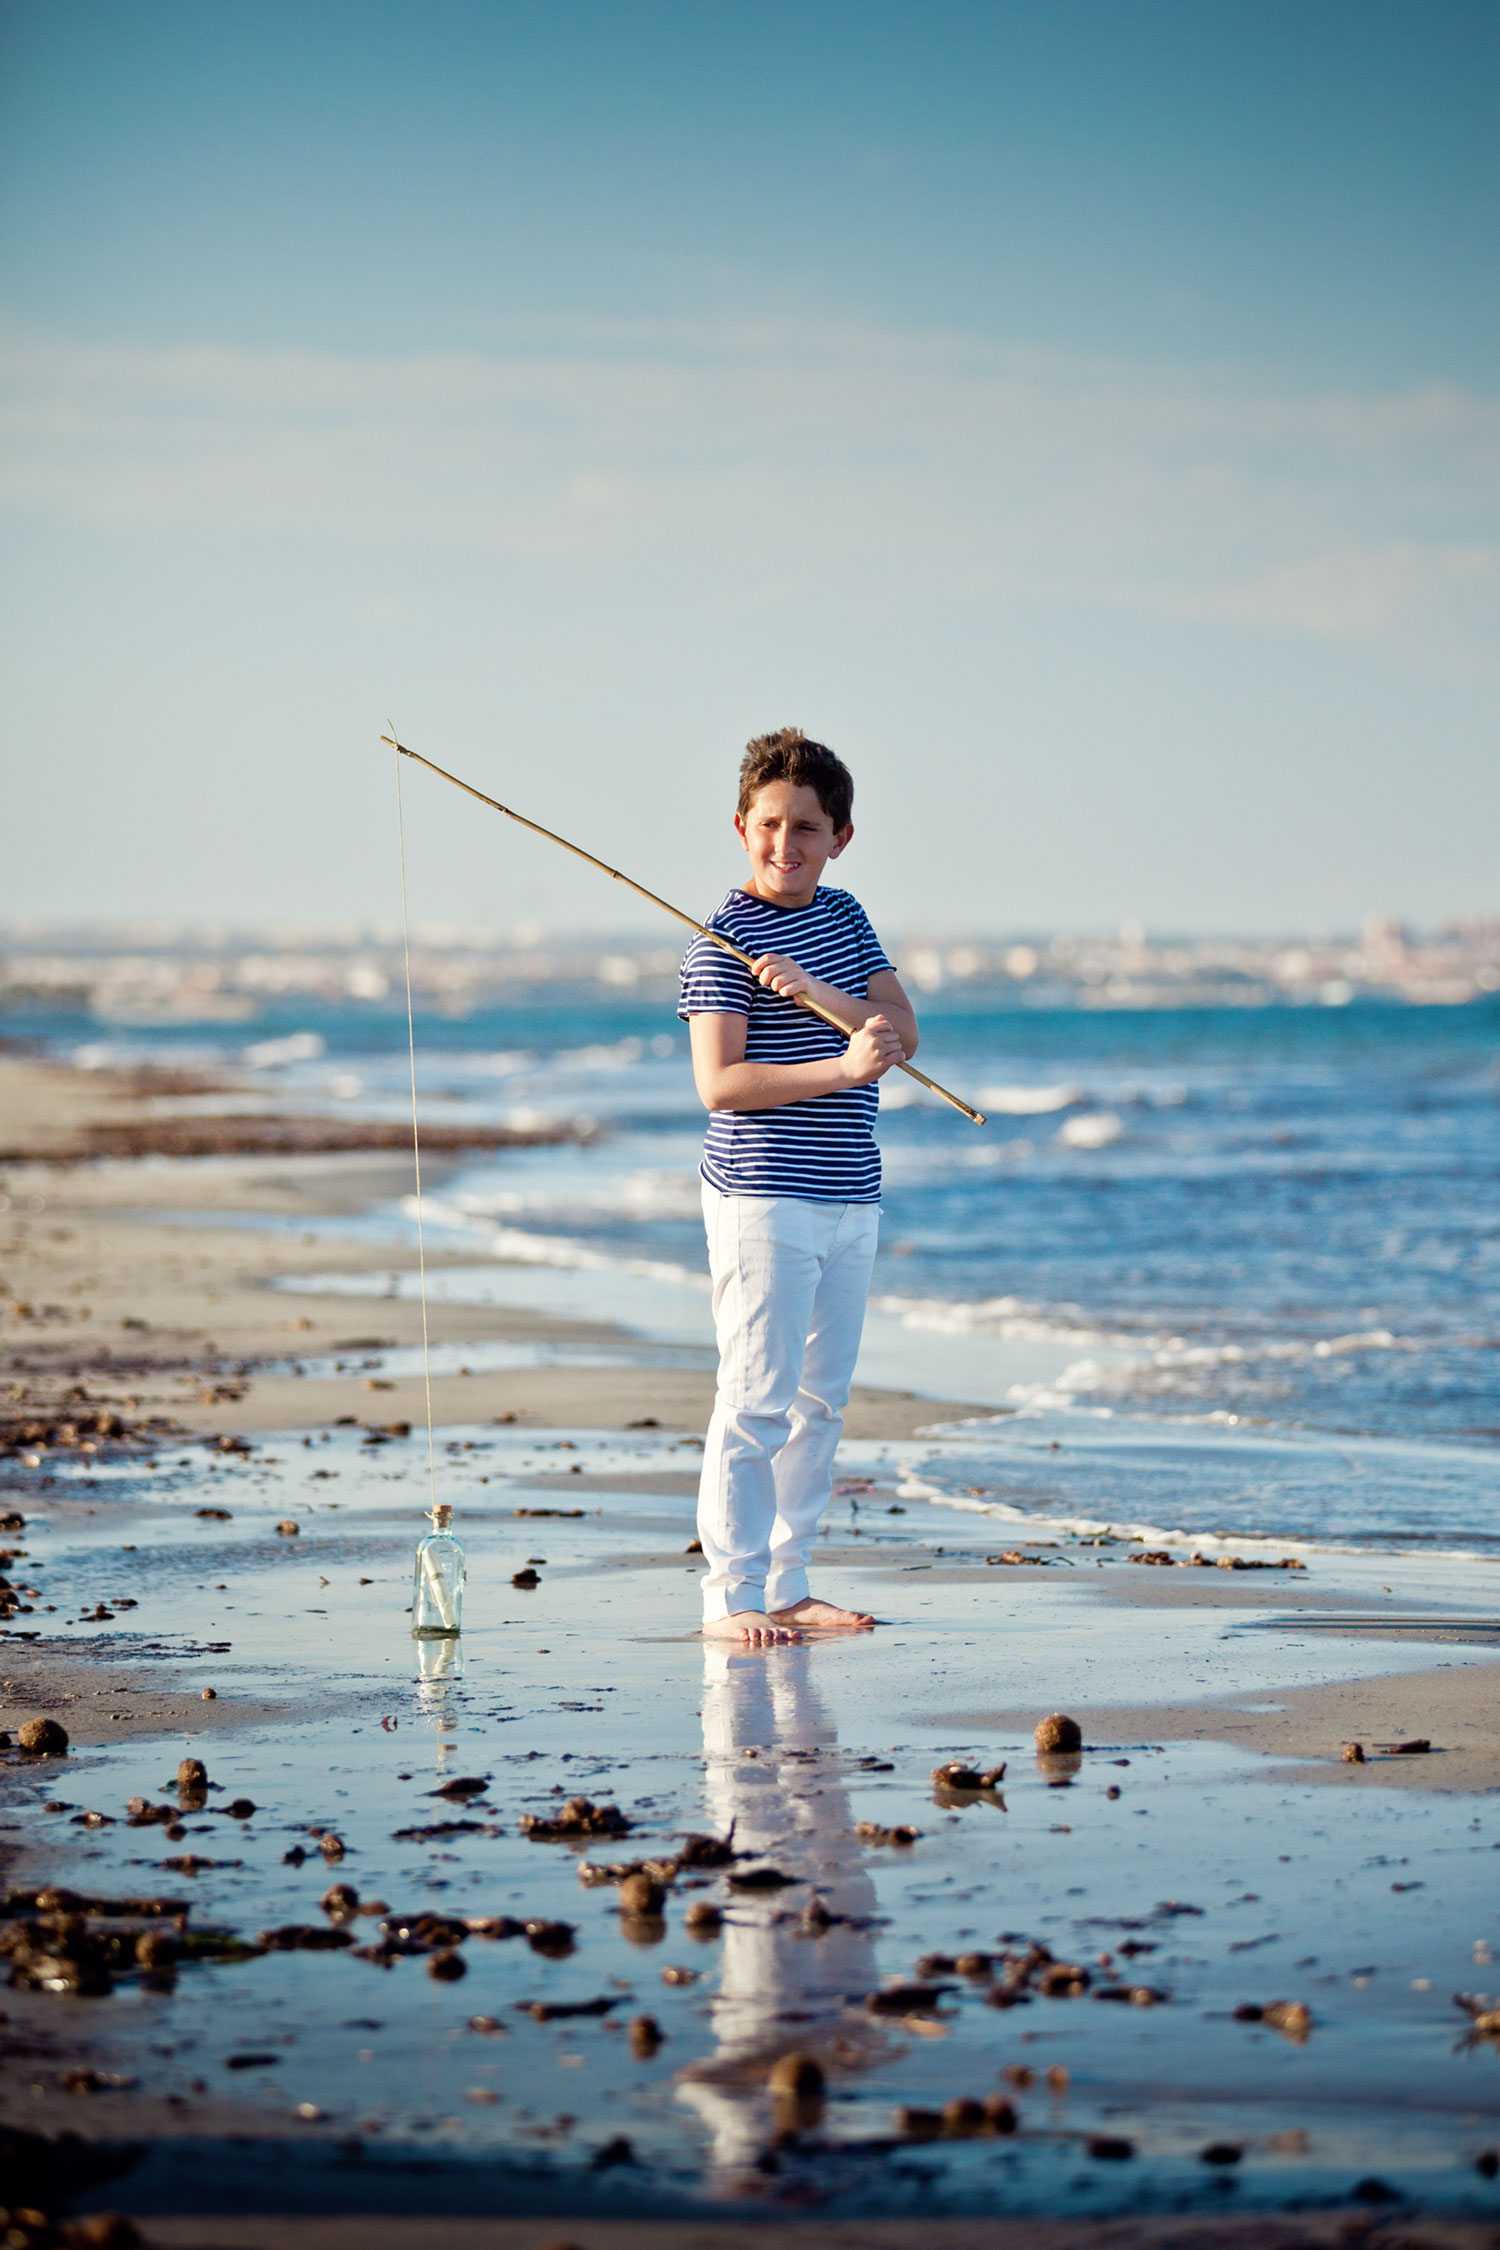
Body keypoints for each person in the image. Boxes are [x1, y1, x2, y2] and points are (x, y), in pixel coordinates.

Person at [677, 727, 918, 1646]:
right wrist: (840, 1069)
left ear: (840, 837)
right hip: (762, 1197)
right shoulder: (722, 942)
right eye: (771, 825)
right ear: (742, 827)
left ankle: (788, 1584)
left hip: (852, 1193)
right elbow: (721, 1086)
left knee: (822, 1401)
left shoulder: (847, 917)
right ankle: (729, 1598)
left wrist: (827, 997)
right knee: (756, 1398)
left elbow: (901, 1032)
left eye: (807, 828)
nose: (787, 845)